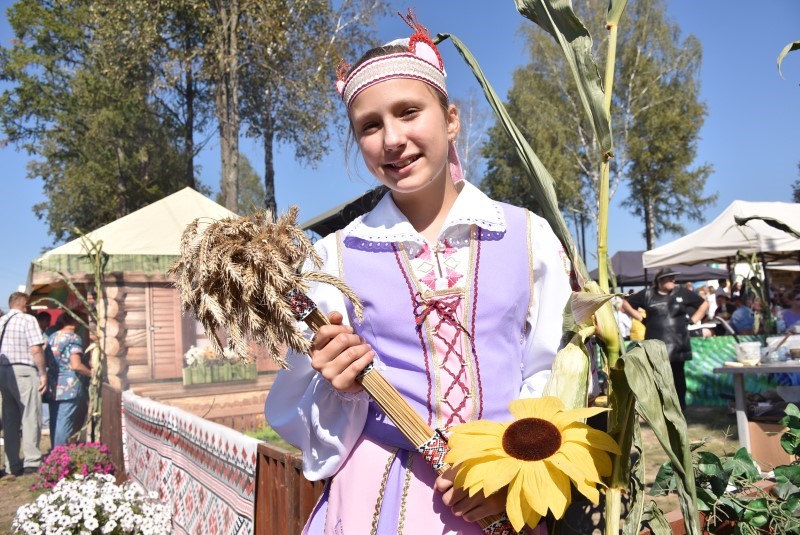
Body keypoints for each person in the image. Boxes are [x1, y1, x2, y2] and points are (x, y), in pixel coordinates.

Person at [265, 14, 572, 534]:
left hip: (504, 497)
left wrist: (515, 472)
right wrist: (339, 386)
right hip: (379, 497)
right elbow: (298, 410)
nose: (392, 138)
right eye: (369, 125)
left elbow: (555, 375)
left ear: (451, 119)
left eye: (409, 112)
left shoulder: (527, 237)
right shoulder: (333, 258)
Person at [621, 268, 708, 410]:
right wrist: (640, 318)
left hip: (678, 342)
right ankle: (659, 407)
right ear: (660, 280)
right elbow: (626, 304)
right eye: (669, 278)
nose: (673, 280)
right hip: (655, 343)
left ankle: (680, 406)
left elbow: (704, 304)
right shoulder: (647, 294)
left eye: (673, 277)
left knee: (678, 375)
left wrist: (693, 320)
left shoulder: (681, 292)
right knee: (657, 375)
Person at [0, 292, 47, 476]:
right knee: (30, 415)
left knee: (10, 419)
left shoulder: (2, 321)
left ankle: (11, 464)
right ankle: (32, 462)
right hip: (24, 370)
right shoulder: (28, 320)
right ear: (25, 304)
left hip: (3, 371)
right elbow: (35, 349)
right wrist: (42, 373)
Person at [45, 311, 91, 447]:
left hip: (53, 384)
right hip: (69, 386)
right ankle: (60, 454)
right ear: (75, 321)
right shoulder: (73, 338)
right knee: (65, 423)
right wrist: (92, 374)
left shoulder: (52, 336)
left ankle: (54, 451)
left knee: (55, 421)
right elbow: (76, 365)